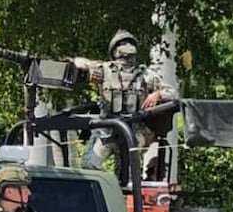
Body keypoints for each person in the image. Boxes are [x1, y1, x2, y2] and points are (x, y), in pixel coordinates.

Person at [72, 30, 176, 182]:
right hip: (106, 131)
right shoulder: (104, 70)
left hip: (133, 133)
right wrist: (82, 65)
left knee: (129, 177)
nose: (126, 54)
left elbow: (172, 93)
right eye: (122, 47)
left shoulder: (146, 75)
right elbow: (79, 63)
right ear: (114, 51)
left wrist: (157, 94)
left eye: (129, 47)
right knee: (89, 167)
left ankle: (123, 197)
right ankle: (106, 188)